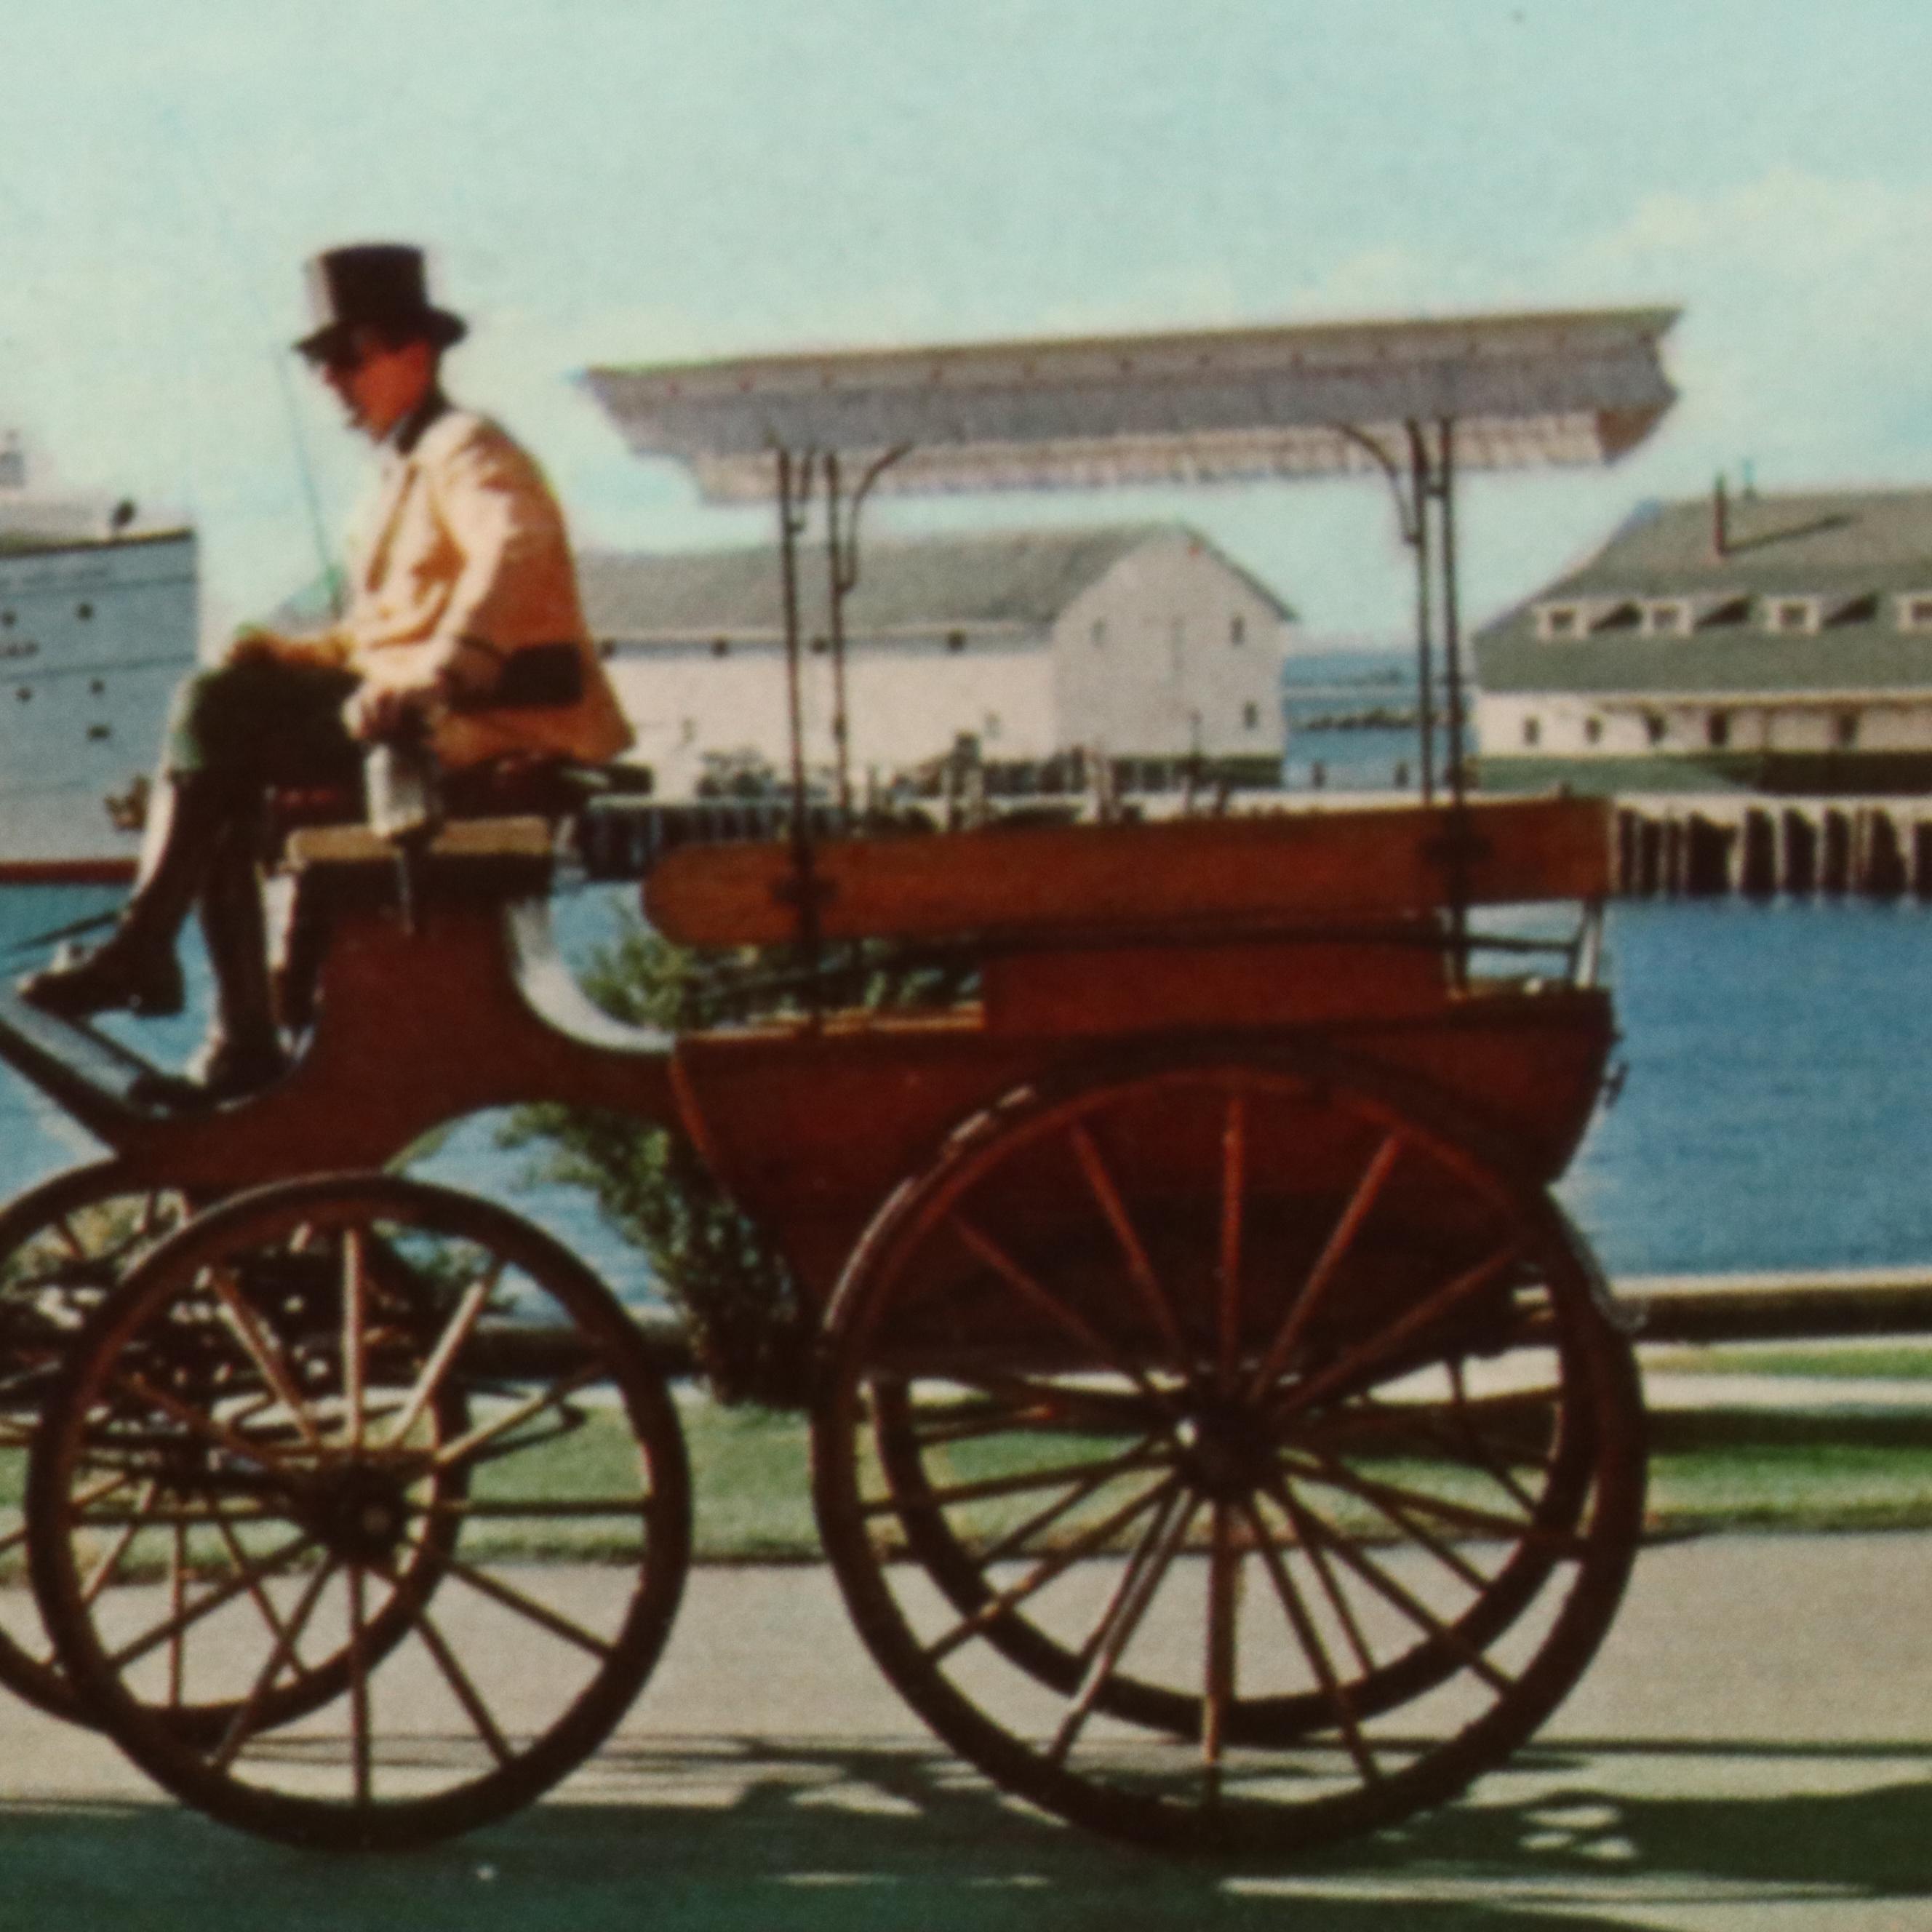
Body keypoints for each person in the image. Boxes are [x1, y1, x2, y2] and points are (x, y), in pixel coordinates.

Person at [20, 242, 632, 1100]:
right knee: (220, 726)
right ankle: (231, 1032)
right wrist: (294, 655)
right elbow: (379, 632)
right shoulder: (392, 477)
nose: (331, 384)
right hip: (399, 716)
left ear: (413, 353)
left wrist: (454, 664)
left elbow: (516, 548)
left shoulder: (468, 450)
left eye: (347, 359)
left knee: (214, 712)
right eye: (321, 364)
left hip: (464, 722)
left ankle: (156, 961)